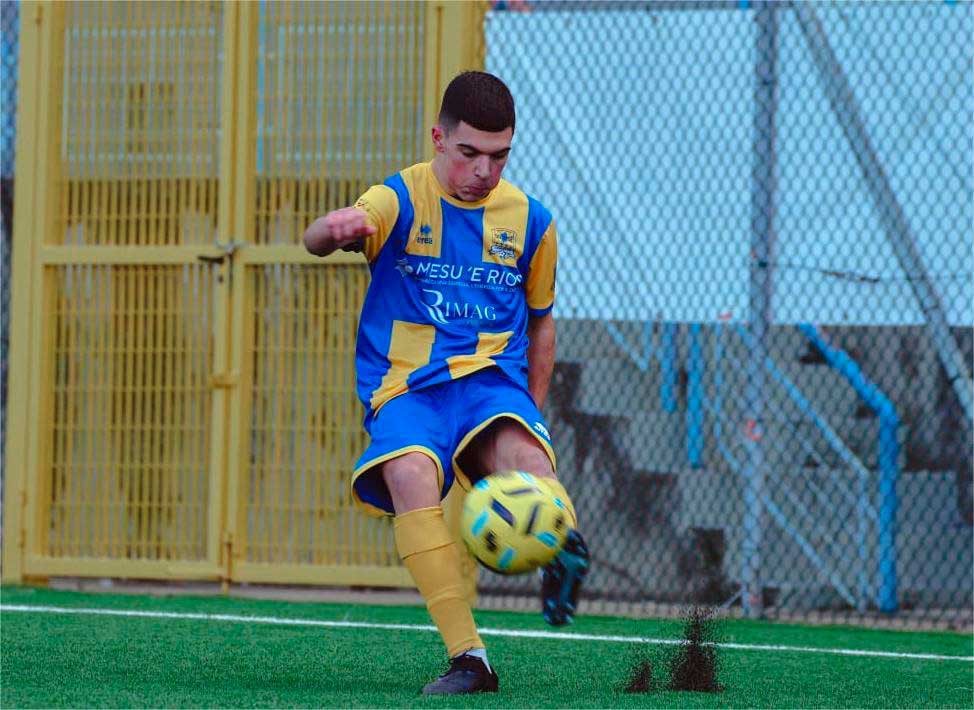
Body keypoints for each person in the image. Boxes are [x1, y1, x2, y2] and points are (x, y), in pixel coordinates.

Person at [303, 71, 589, 695]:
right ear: (438, 138)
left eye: (499, 156)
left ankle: (561, 541)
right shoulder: (397, 198)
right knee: (410, 475)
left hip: (490, 380)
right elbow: (319, 238)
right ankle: (470, 660)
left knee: (525, 456)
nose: (484, 170)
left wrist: (529, 413)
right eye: (469, 154)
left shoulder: (532, 221)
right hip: (406, 386)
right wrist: (333, 229)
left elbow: (542, 324)